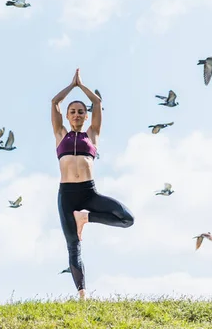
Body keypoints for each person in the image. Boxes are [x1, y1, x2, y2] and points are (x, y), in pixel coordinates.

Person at [52, 68, 134, 301]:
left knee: (127, 218)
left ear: (85, 116)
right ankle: (82, 293)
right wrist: (72, 85)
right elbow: (55, 102)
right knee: (73, 245)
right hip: (67, 195)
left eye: (80, 112)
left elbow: (96, 102)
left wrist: (82, 86)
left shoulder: (92, 135)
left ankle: (86, 217)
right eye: (73, 112)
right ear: (67, 117)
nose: (77, 115)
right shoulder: (60, 134)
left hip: (89, 193)